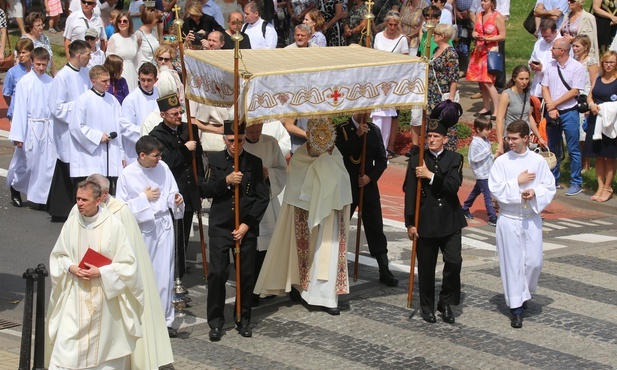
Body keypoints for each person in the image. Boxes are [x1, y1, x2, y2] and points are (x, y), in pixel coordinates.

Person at [255, 119, 352, 316]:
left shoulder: (336, 157)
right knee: (299, 251)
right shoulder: (300, 157)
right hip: (302, 212)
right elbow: (295, 186)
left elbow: (343, 184)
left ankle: (325, 297)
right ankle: (299, 287)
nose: (321, 149)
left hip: (329, 215)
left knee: (328, 253)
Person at [46, 180, 143, 370]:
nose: (79, 203)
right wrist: (70, 267)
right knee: (66, 345)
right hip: (74, 296)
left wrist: (101, 271)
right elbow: (59, 255)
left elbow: (128, 265)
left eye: (84, 199)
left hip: (103, 299)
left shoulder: (113, 226)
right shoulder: (72, 222)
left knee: (103, 353)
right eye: (77, 199)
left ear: (98, 200)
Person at [201, 120, 269, 340]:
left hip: (245, 228)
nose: (234, 144)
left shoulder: (254, 162)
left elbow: (262, 197)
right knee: (218, 274)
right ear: (224, 139)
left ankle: (243, 319)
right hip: (221, 227)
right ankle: (216, 322)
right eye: (231, 140)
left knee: (246, 276)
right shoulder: (215, 159)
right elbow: (206, 189)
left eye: (238, 140)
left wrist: (247, 224)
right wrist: (226, 181)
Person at [488, 120, 556, 328]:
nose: (510, 142)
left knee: (534, 262)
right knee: (512, 264)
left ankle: (523, 293)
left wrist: (534, 192)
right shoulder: (502, 162)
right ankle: (516, 308)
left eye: (515, 138)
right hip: (509, 218)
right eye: (508, 138)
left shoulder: (537, 161)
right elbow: (494, 189)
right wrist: (516, 182)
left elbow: (549, 186)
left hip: (530, 218)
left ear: (526, 138)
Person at [116, 136, 185, 337]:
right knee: (142, 274)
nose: (159, 158)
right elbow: (120, 208)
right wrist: (143, 199)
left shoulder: (163, 167)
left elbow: (173, 192)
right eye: (155, 155)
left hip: (163, 224)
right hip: (141, 227)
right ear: (142, 155)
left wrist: (177, 200)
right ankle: (141, 319)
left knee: (164, 273)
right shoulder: (128, 174)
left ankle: (164, 322)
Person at [404, 118, 467, 324]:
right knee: (427, 267)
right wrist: (410, 223)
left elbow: (452, 186)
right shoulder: (416, 160)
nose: (431, 140)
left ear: (445, 139)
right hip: (426, 221)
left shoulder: (455, 158)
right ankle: (427, 306)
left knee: (454, 261)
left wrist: (430, 175)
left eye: (436, 137)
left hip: (450, 220)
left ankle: (446, 302)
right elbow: (410, 192)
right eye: (429, 136)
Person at [335, 113, 399, 287]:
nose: (366, 114)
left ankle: (383, 268)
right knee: (340, 227)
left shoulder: (374, 130)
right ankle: (334, 266)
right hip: (347, 186)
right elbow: (340, 154)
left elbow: (381, 160)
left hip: (367, 186)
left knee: (375, 227)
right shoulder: (341, 129)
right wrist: (357, 136)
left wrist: (370, 177)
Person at [149, 93, 204, 280]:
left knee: (183, 238)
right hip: (171, 192)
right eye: (174, 114)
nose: (179, 117)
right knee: (171, 239)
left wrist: (200, 186)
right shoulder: (157, 135)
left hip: (188, 192)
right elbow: (168, 162)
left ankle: (179, 276)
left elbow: (198, 160)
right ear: (163, 115)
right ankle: (171, 277)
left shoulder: (189, 129)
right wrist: (184, 148)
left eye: (180, 112)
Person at [47, 40, 93, 221]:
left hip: (82, 128)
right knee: (67, 167)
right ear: (79, 55)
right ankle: (61, 209)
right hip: (66, 131)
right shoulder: (62, 77)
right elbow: (56, 108)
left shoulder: (85, 73)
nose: (90, 57)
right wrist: (80, 107)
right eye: (88, 54)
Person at [243, 123, 287, 303]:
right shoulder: (238, 143)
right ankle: (250, 289)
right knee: (250, 247)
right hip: (247, 201)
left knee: (266, 246)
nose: (255, 136)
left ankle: (265, 287)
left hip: (267, 201)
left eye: (258, 132)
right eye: (251, 132)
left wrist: (269, 173)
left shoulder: (270, 143)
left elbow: (282, 169)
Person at [7, 47, 55, 208]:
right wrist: (18, 136)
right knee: (28, 164)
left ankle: (41, 198)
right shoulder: (24, 82)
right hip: (31, 127)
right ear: (32, 62)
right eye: (38, 64)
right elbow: (20, 109)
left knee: (46, 165)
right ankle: (15, 186)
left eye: (43, 64)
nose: (41, 68)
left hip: (47, 127)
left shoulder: (50, 81)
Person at [542, 37, 586, 195]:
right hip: (552, 111)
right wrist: (550, 105)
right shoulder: (550, 66)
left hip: (569, 112)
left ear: (562, 51)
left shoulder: (577, 68)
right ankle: (554, 179)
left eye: (553, 48)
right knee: (553, 147)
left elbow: (575, 91)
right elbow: (544, 87)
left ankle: (576, 182)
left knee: (573, 148)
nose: (551, 50)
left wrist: (555, 104)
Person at [69, 65, 123, 194]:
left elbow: (119, 127)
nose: (108, 84)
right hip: (90, 156)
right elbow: (76, 127)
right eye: (104, 81)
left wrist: (121, 153)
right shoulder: (83, 100)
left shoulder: (113, 101)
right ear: (93, 81)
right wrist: (98, 136)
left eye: (108, 80)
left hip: (110, 154)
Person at [372, 11, 409, 159]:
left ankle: (389, 147)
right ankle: (375, 146)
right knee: (377, 113)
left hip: (394, 81)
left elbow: (405, 60)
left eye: (395, 25)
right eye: (390, 24)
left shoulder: (402, 40)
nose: (392, 27)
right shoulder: (379, 36)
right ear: (386, 23)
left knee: (392, 115)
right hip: (379, 79)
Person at [4, 38, 34, 208]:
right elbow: (7, 94)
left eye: (24, 52)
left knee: (34, 155)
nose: (21, 55)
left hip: (33, 118)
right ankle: (15, 186)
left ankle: (30, 188)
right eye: (19, 52)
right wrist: (13, 111)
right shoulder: (13, 72)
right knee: (21, 154)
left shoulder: (36, 70)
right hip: (17, 116)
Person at [584, 51, 617, 202]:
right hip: (595, 119)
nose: (608, 65)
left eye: (611, 62)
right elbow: (590, 95)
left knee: (610, 156)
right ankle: (600, 185)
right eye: (606, 62)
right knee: (598, 155)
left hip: (611, 121)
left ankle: (608, 187)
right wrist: (591, 104)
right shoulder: (599, 78)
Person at [496, 65, 547, 156]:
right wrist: (500, 142)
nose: (524, 82)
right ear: (514, 78)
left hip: (524, 138)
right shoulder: (507, 95)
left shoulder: (527, 93)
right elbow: (499, 119)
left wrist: (539, 137)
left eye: (527, 79)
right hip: (512, 138)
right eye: (521, 79)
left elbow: (528, 116)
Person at [467, 0, 505, 120]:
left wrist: (488, 38)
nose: (482, 3)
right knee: (481, 81)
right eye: (482, 1)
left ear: (492, 2)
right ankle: (486, 107)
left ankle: (497, 109)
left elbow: (503, 35)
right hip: (479, 50)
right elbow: (474, 30)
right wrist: (474, 35)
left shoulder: (497, 16)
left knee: (488, 81)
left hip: (490, 51)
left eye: (485, 1)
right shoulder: (480, 14)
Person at [461, 116, 498, 226]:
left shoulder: (485, 140)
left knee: (476, 191)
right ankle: (492, 216)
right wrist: (487, 152)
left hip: (488, 171)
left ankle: (465, 208)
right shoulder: (475, 143)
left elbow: (487, 156)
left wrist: (494, 155)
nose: (489, 131)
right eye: (487, 129)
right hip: (481, 173)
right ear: (478, 129)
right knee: (488, 195)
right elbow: (474, 158)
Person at [120, 62, 160, 164]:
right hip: (137, 151)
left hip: (158, 146)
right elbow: (125, 126)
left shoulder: (160, 93)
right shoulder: (131, 99)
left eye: (149, 80)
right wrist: (147, 132)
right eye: (142, 80)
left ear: (156, 80)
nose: (145, 84)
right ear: (138, 78)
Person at [428, 23, 459, 152]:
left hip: (442, 95)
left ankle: (447, 151)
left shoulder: (450, 53)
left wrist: (450, 99)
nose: (433, 35)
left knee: (444, 123)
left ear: (442, 36)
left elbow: (454, 78)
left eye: (435, 33)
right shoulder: (436, 50)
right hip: (431, 94)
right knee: (433, 124)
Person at [572, 34, 599, 172]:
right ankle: (577, 161)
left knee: (584, 133)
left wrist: (591, 101)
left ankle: (586, 163)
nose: (574, 48)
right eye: (573, 46)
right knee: (575, 132)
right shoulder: (573, 60)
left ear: (586, 47)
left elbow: (595, 83)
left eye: (577, 46)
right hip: (574, 97)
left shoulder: (591, 61)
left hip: (586, 96)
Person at [529, 18, 562, 99]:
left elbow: (563, 69)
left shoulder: (562, 44)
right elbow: (532, 58)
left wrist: (542, 68)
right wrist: (532, 66)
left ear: (555, 32)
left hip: (552, 90)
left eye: (548, 36)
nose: (545, 38)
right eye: (543, 36)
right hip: (537, 86)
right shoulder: (539, 43)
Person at [107, 11, 139, 91]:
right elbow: (109, 60)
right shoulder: (114, 38)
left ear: (129, 23)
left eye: (125, 21)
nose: (122, 23)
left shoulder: (134, 38)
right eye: (119, 21)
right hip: (119, 73)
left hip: (132, 73)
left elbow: (136, 60)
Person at [22, 12, 57, 76]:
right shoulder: (25, 41)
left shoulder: (44, 38)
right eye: (38, 25)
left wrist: (55, 77)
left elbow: (50, 59)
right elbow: (21, 61)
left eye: (42, 24)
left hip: (45, 75)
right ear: (30, 27)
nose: (41, 27)